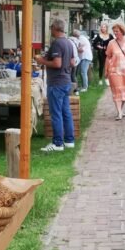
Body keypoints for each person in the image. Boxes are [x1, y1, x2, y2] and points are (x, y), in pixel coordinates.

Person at [33, 18, 75, 152]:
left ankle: (57, 143)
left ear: (55, 28)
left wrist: (41, 61)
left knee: (56, 113)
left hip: (56, 83)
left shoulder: (57, 43)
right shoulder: (68, 42)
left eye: (51, 27)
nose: (50, 30)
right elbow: (73, 62)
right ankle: (69, 141)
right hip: (66, 81)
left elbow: (57, 63)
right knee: (66, 112)